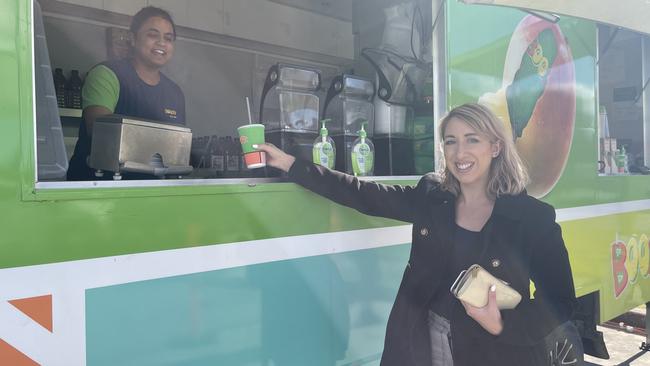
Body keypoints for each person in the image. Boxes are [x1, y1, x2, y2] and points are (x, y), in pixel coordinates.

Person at [255, 103, 582, 366]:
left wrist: (500, 323)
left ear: (495, 147)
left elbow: (560, 302)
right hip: (424, 340)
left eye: (472, 140)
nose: (459, 153)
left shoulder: (533, 218)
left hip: (496, 350)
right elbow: (365, 195)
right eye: (450, 141)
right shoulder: (432, 195)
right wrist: (291, 165)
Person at [67, 6, 185, 180]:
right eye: (153, 35)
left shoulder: (174, 92)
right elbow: (102, 134)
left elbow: (177, 147)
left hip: (149, 191)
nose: (161, 43)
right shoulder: (106, 75)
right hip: (98, 188)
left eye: (168, 38)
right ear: (133, 39)